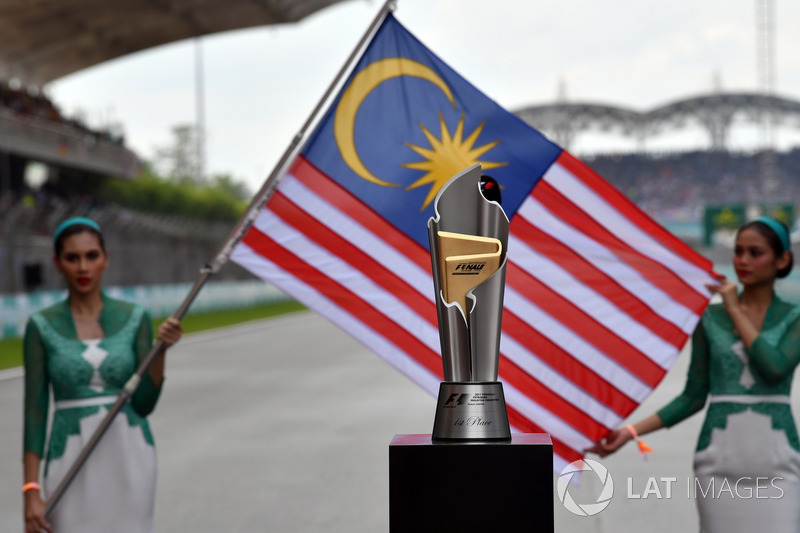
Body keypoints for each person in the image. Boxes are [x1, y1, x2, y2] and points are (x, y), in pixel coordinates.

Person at [587, 216, 800, 533]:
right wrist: (630, 433)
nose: (742, 260)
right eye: (738, 251)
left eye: (755, 253)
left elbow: (774, 367)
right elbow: (692, 396)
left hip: (779, 463)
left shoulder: (794, 317)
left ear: (782, 259)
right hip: (717, 463)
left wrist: (735, 311)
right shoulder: (710, 318)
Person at [22, 217, 183, 533]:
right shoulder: (40, 325)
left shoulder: (135, 317)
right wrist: (30, 489)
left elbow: (145, 404)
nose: (83, 267)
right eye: (72, 258)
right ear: (57, 263)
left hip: (131, 453)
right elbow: (35, 412)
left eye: (91, 256)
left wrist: (160, 351)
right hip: (68, 455)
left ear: (105, 259)